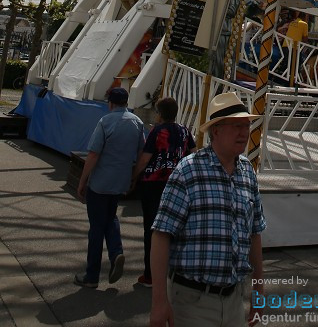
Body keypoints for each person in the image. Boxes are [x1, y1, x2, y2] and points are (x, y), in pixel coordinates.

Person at [150, 91, 265, 327]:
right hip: (191, 303)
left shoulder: (247, 173)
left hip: (234, 301)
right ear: (216, 130)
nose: (244, 132)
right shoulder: (188, 171)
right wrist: (159, 302)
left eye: (247, 125)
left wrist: (258, 292)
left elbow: (255, 234)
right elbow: (161, 235)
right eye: (236, 126)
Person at [74, 86, 146, 289]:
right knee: (110, 217)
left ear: (111, 103)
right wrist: (134, 177)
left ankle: (92, 275)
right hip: (120, 181)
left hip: (100, 182)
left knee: (96, 227)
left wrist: (82, 180)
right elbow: (142, 151)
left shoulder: (105, 122)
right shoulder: (137, 123)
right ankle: (116, 253)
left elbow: (94, 154)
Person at [131, 96, 195, 287]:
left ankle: (150, 275)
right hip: (176, 184)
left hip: (154, 183)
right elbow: (193, 152)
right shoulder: (185, 131)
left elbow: (145, 159)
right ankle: (171, 272)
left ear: (160, 114)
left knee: (152, 229)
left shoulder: (157, 132)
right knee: (173, 228)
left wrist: (134, 177)